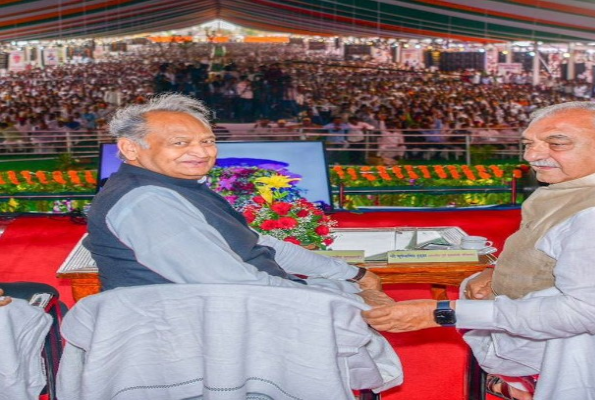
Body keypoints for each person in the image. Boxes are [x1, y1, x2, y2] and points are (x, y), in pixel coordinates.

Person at [363, 102, 595, 399]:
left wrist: (442, 312)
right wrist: (498, 274)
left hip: (581, 353)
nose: (532, 155)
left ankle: (517, 384)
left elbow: (586, 313)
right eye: (529, 143)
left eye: (556, 143)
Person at [83, 94, 392, 307]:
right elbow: (233, 283)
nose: (202, 152)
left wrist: (352, 274)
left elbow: (257, 243)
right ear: (131, 148)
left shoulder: (174, 185)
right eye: (181, 143)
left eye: (208, 141)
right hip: (197, 323)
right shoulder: (146, 202)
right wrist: (344, 296)